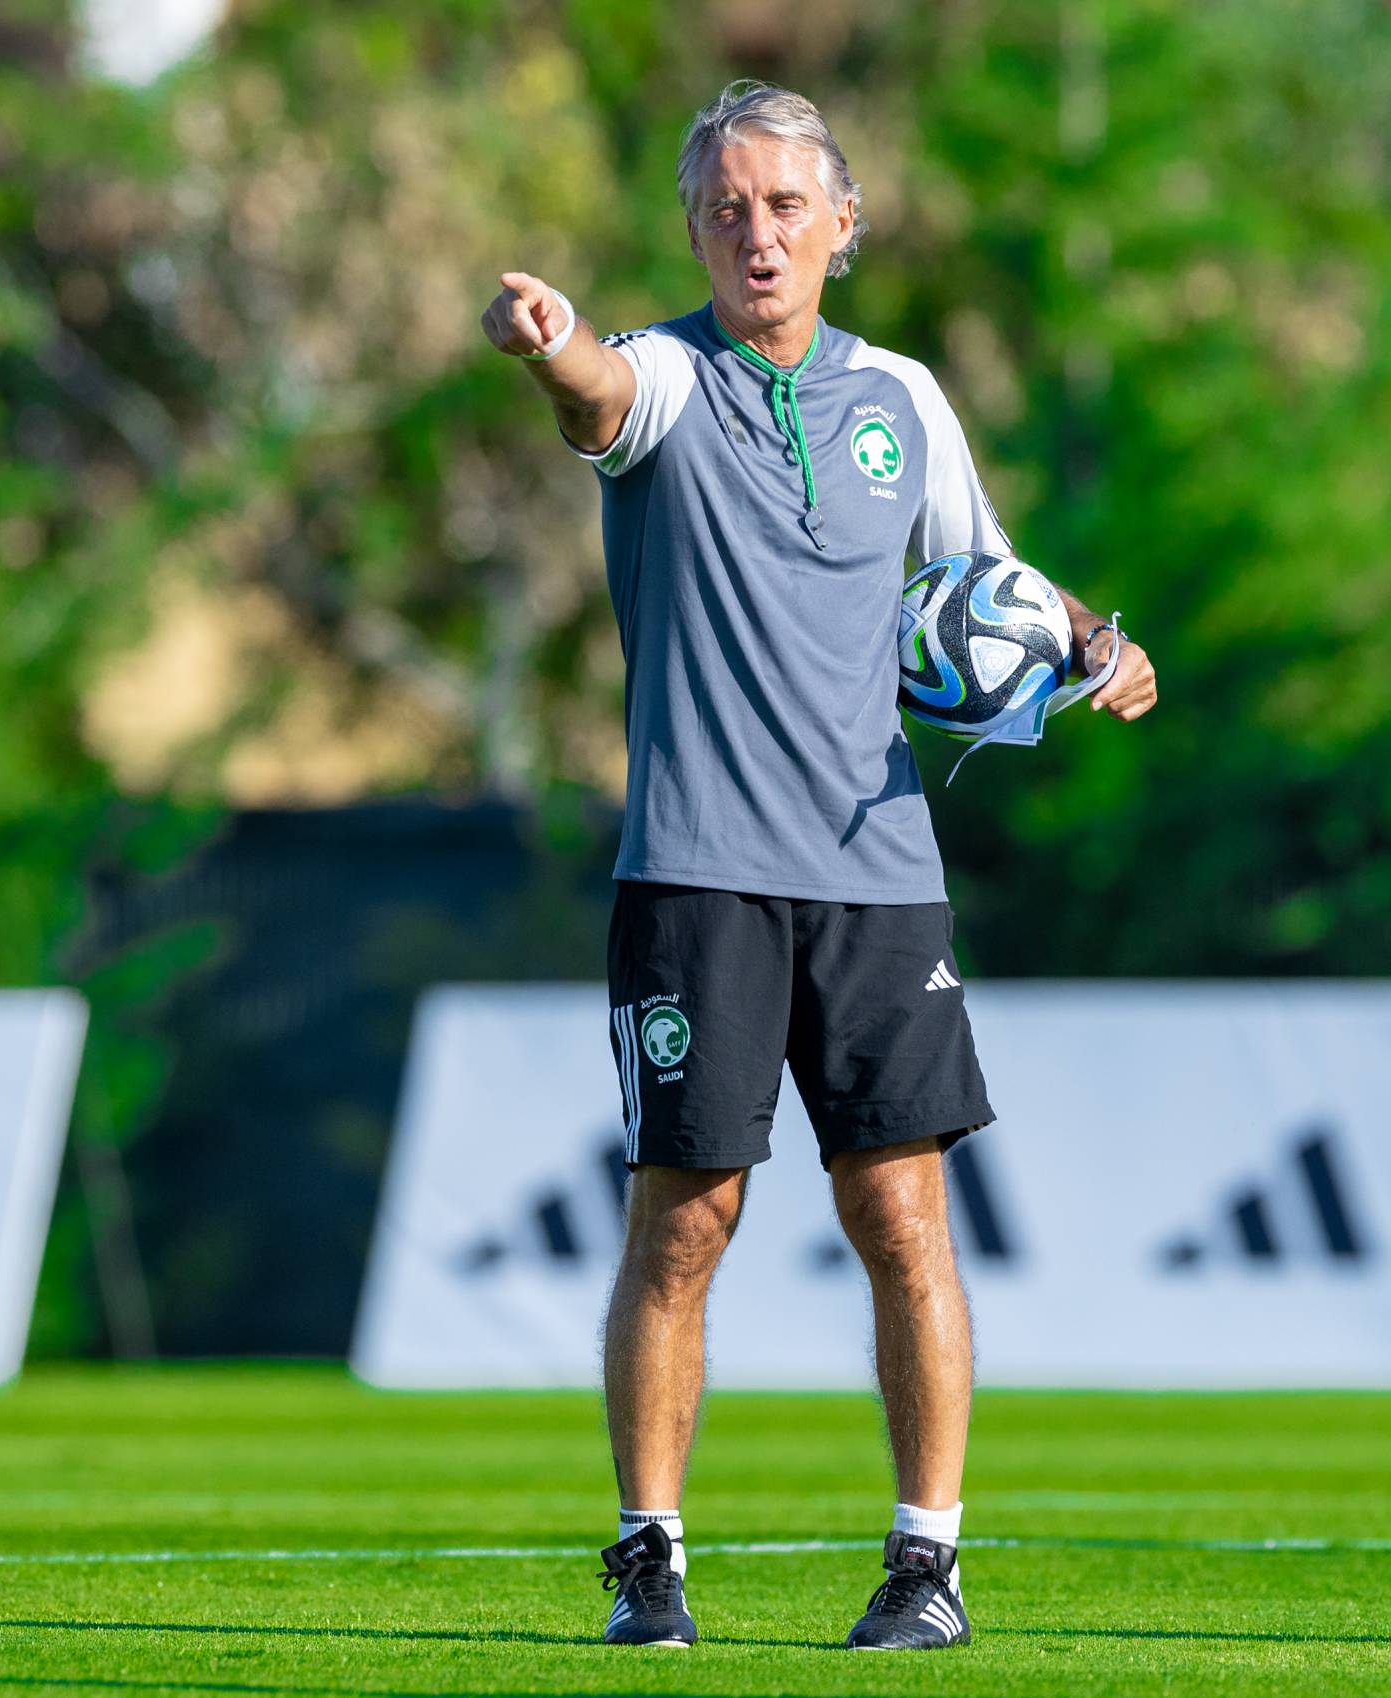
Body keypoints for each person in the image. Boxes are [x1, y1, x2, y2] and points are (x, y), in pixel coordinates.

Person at [479, 81, 1158, 1651]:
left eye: (787, 205)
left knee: (905, 1217)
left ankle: (928, 1565)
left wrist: (1093, 642)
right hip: (697, 875)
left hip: (879, 875)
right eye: (727, 208)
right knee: (687, 1218)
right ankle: (650, 1559)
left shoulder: (903, 397)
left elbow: (987, 579)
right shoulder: (665, 376)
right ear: (694, 230)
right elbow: (595, 400)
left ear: (843, 223)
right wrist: (551, 342)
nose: (759, 233)